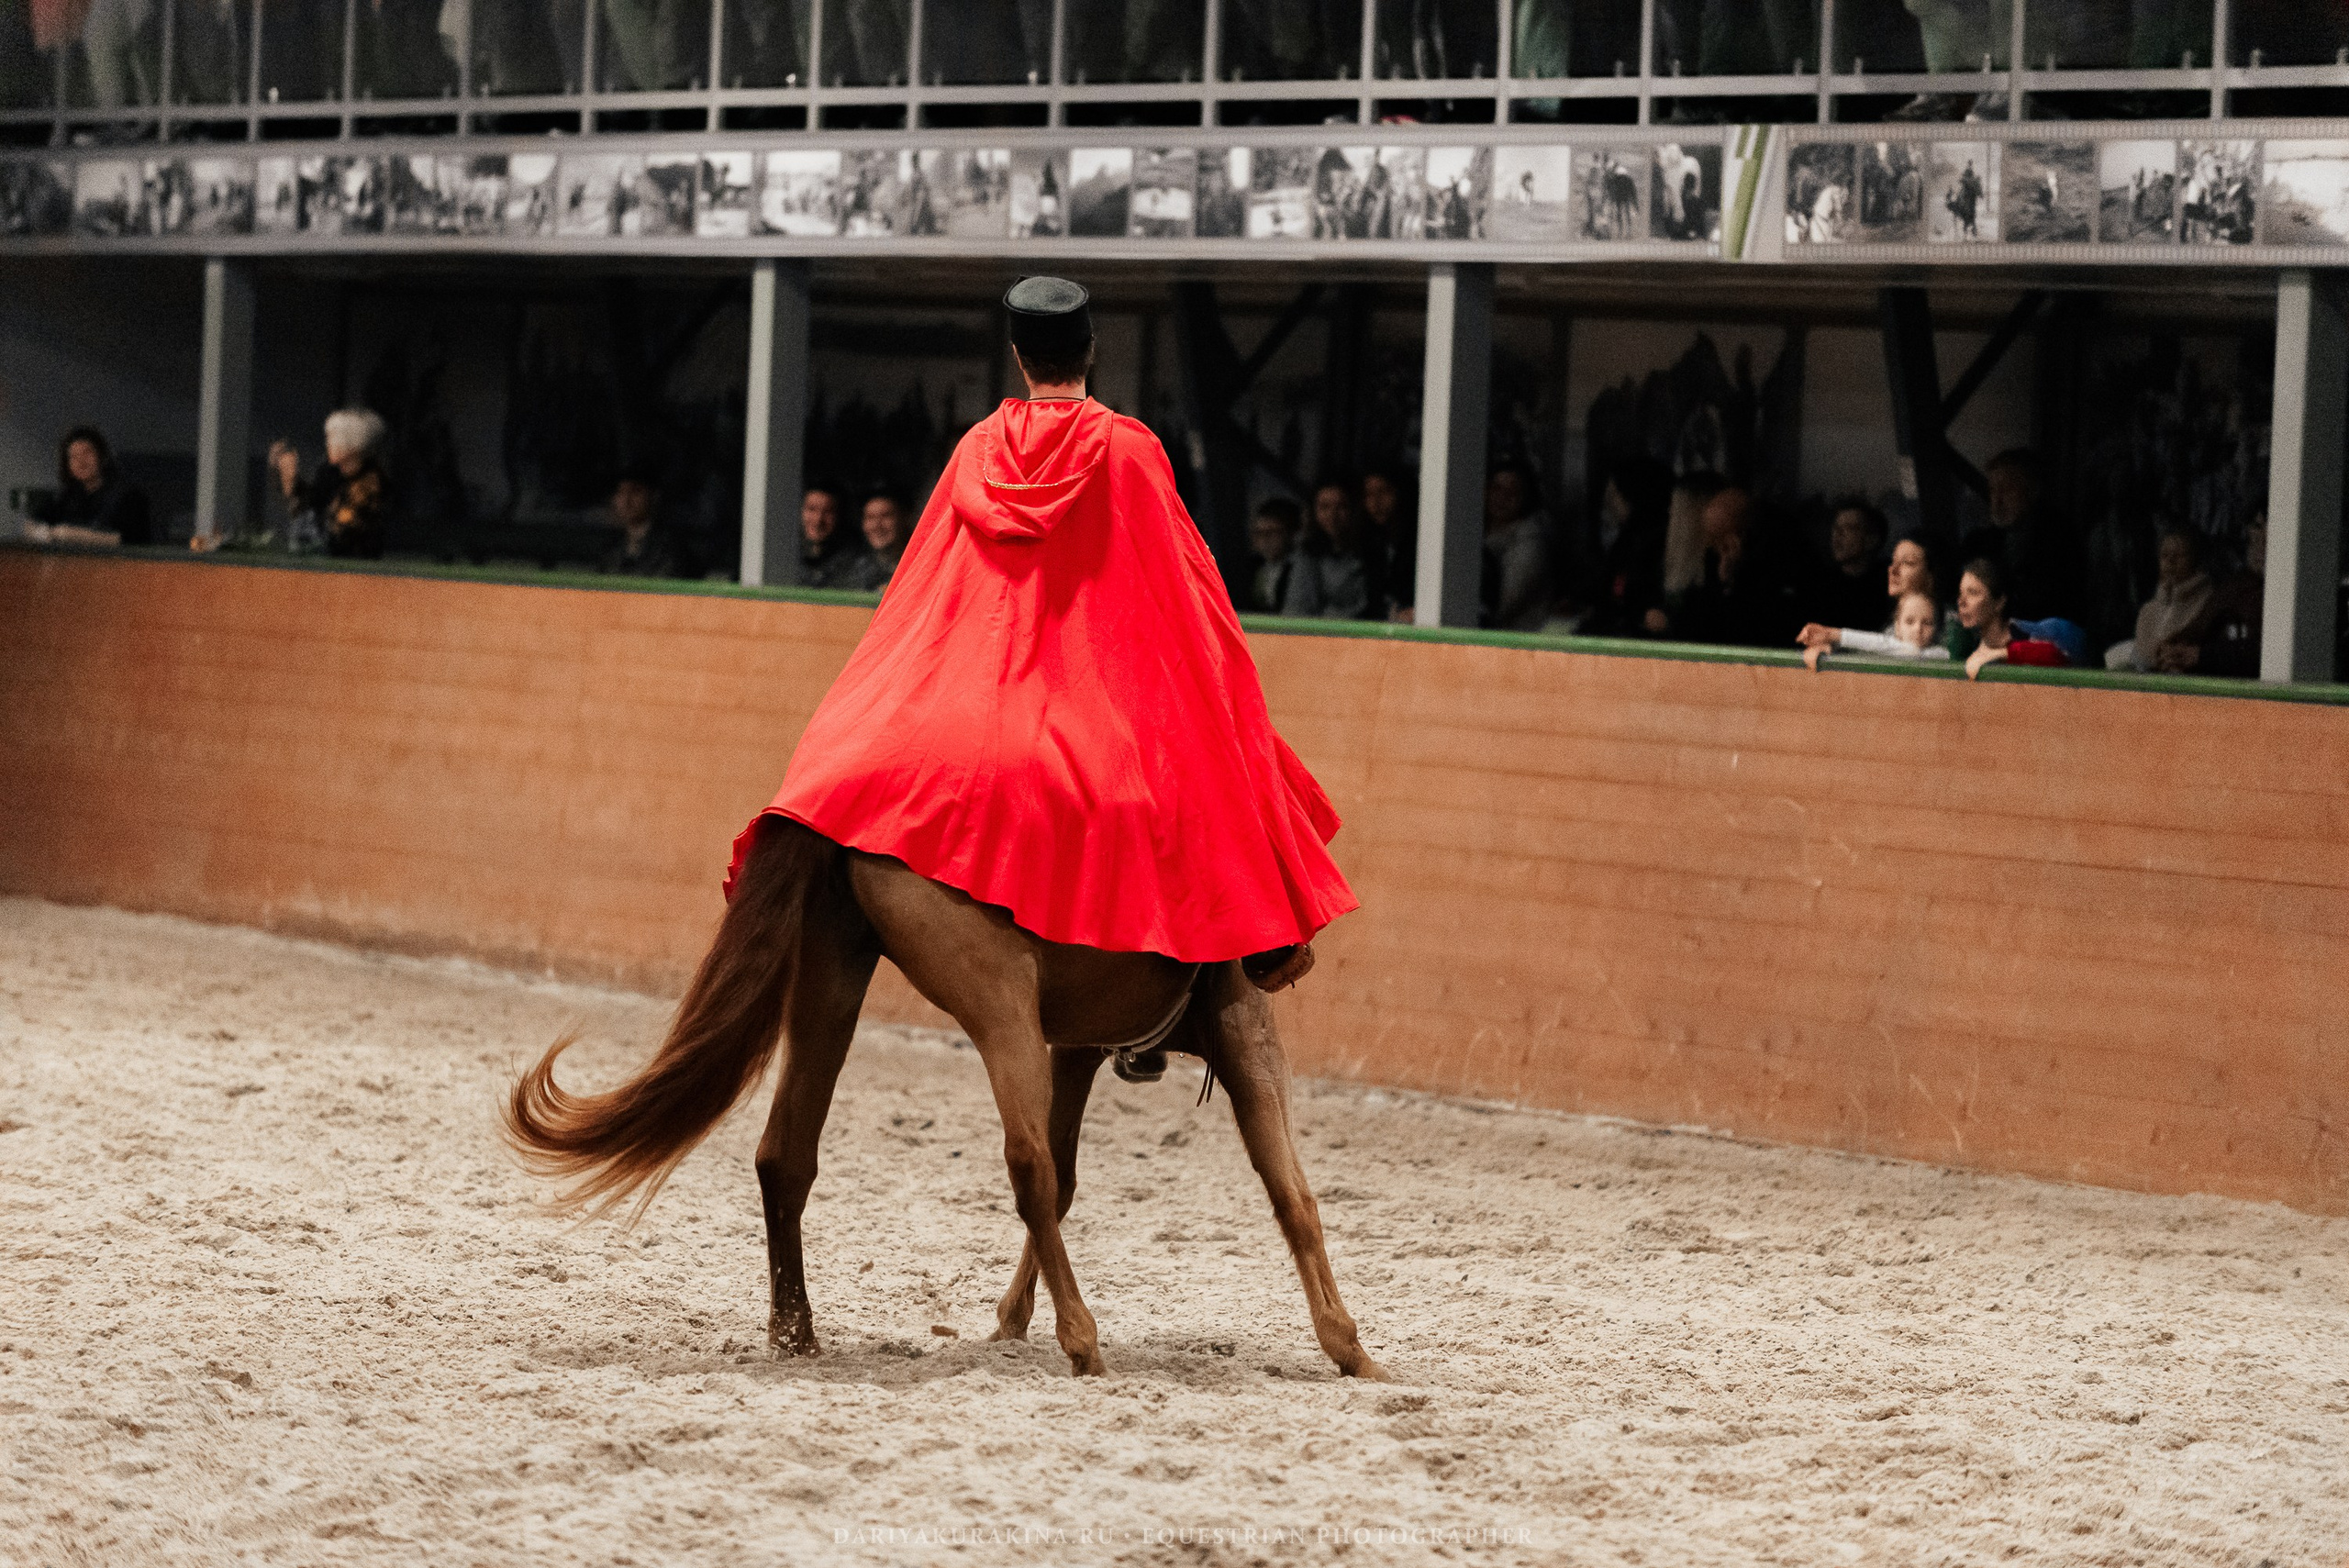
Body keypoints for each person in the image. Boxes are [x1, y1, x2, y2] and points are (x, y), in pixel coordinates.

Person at [726, 275, 1353, 1046]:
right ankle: (1262, 943)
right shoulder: (1130, 449)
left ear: (1020, 358)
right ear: (1091, 351)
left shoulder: (974, 451)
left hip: (982, 701)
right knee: (1218, 745)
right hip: (1085, 704)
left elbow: (919, 592)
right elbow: (1186, 596)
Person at [1659, 484, 1798, 648]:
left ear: (1739, 538)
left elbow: (1750, 631)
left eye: (1718, 540)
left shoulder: (1778, 570)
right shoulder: (1713, 559)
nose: (1711, 545)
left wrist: (1730, 585)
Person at [1961, 449, 2085, 624]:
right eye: (1993, 490)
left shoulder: (2059, 542)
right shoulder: (1980, 544)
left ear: (2032, 491)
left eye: (2007, 490)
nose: (1997, 500)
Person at [269, 408, 389, 560]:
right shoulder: (328, 470)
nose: (327, 443)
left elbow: (350, 525)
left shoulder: (371, 479)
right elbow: (312, 504)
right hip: (328, 546)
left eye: (332, 438)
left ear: (352, 445)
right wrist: (291, 480)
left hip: (357, 553)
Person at [2153, 518, 2264, 677]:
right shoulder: (2235, 585)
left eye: (2180, 555)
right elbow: (2200, 625)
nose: (2170, 561)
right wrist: (2173, 647)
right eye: (2257, 527)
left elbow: (2261, 651)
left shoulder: (2268, 595)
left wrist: (2201, 656)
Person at [1576, 455, 1670, 639]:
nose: (1609, 503)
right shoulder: (1627, 539)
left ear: (1632, 496)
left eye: (1615, 495)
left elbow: (1632, 599)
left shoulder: (1654, 543)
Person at [1952, 556, 2084, 680]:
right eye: (1960, 593)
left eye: (1973, 593)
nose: (1961, 602)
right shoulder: (1966, 643)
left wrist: (2000, 654)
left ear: (1999, 602)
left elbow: (2055, 656)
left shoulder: (2025, 633)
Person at [24, 426, 153, 547]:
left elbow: (133, 539)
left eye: (87, 453)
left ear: (102, 457)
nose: (81, 461)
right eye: (74, 456)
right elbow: (32, 523)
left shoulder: (128, 496)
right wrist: (43, 534)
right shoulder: (66, 496)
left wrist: (76, 535)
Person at [2105, 528, 2212, 673]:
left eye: (2179, 555)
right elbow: (2143, 654)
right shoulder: (2148, 611)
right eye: (2165, 555)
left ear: (2196, 560)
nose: (2170, 561)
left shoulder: (2209, 603)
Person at [1283, 480, 1384, 621]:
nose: (1333, 515)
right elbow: (1297, 611)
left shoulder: (1373, 553)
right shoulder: (1307, 556)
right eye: (1325, 507)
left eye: (1341, 507)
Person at [1798, 590, 1950, 672]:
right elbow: (1883, 644)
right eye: (1909, 622)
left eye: (1928, 623)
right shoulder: (1884, 648)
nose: (1918, 629)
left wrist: (1834, 634)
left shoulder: (1941, 654)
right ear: (1897, 627)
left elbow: (1903, 649)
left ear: (1937, 627)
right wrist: (1830, 644)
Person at [1480, 462, 1553, 632]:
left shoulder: (1530, 543)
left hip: (1517, 641)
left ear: (1526, 497)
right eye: (1496, 488)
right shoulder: (1475, 529)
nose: (1502, 498)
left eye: (1513, 492)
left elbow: (1502, 607)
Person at [1811, 497, 1891, 635]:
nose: (1837, 535)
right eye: (1836, 528)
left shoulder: (1890, 583)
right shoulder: (1822, 583)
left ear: (1871, 540)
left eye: (1849, 528)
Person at [599, 469, 681, 578]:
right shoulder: (612, 545)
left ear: (654, 496)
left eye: (636, 491)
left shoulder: (668, 546)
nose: (626, 500)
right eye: (621, 492)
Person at [1361, 467, 1417, 623]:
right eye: (1369, 494)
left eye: (1384, 492)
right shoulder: (1367, 545)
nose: (1376, 502)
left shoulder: (1421, 545)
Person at [795, 484, 863, 589]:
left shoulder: (856, 564)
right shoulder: (786, 556)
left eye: (828, 512)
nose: (818, 520)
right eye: (811, 509)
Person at [842, 491, 909, 592]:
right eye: (870, 517)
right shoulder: (850, 572)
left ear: (904, 519)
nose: (877, 525)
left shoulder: (917, 566)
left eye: (886, 516)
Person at [1247, 497, 1302, 615]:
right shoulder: (1250, 567)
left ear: (1290, 534)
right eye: (1259, 533)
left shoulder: (1301, 568)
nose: (1264, 540)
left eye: (1272, 533)